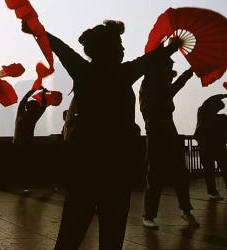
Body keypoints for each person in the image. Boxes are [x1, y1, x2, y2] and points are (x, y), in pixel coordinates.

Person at [21, 20, 180, 249]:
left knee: (71, 232)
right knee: (112, 234)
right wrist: (169, 48)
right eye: (119, 44)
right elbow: (148, 60)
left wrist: (37, 31)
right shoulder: (124, 74)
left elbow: (59, 46)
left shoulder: (84, 71)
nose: (123, 49)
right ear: (108, 49)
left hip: (84, 164)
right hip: (116, 166)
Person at [139, 56, 198, 229]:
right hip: (156, 129)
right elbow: (165, 95)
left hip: (167, 128)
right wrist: (187, 75)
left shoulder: (160, 83)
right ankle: (149, 215)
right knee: (155, 172)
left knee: (180, 171)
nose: (170, 67)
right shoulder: (150, 83)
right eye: (168, 64)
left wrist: (186, 75)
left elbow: (169, 92)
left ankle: (185, 210)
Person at [14, 87, 48, 193]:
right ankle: (25, 184)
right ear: (35, 108)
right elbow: (44, 106)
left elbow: (24, 100)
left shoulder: (21, 113)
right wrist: (43, 94)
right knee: (27, 165)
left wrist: (34, 90)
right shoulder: (34, 116)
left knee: (21, 165)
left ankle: (22, 184)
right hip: (27, 143)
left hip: (17, 143)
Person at [194, 94, 227, 201]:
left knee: (210, 170)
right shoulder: (204, 113)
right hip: (209, 146)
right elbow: (208, 102)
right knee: (213, 169)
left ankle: (212, 192)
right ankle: (212, 192)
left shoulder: (205, 115)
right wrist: (223, 95)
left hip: (211, 146)